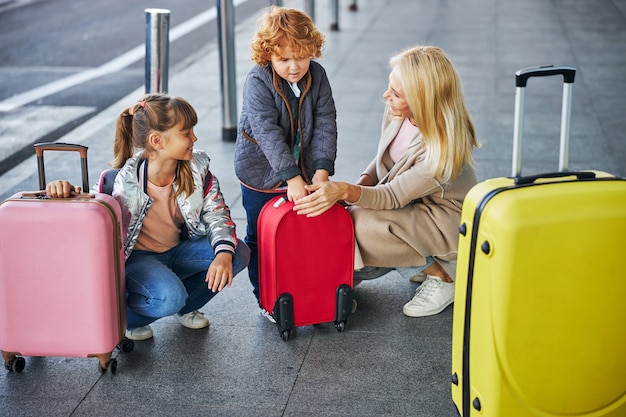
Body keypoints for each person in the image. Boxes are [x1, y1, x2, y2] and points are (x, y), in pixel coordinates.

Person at [293, 45, 480, 317]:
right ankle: (416, 260)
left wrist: (345, 191)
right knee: (352, 215)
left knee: (361, 225)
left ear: (422, 100)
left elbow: (392, 196)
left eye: (396, 93)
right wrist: (361, 183)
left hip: (447, 221)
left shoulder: (441, 151)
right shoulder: (399, 111)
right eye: (389, 87)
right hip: (416, 204)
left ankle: (443, 274)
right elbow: (385, 158)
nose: (386, 96)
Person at [46, 93, 251, 340]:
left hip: (177, 250)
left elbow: (217, 214)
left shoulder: (197, 170)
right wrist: (64, 190)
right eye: (186, 133)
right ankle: (128, 319)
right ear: (157, 141)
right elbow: (92, 211)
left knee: (237, 253)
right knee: (169, 297)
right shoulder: (121, 183)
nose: (194, 137)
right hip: (138, 259)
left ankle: (182, 305)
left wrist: (223, 254)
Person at [233, 6, 338, 320]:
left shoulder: (316, 75)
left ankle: (305, 290)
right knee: (260, 237)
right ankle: (266, 297)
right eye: (284, 59)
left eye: (302, 56)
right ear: (268, 56)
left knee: (302, 235)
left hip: (304, 170)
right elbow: (266, 132)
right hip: (261, 174)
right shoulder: (258, 81)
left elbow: (325, 121)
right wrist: (290, 178)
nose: (295, 67)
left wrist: (321, 170)